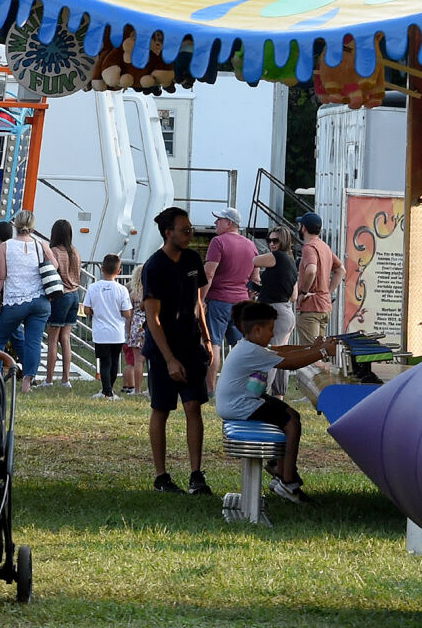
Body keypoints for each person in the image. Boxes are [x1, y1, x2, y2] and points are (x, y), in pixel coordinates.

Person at [215, 301, 338, 503]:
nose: (272, 334)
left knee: (291, 416)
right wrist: (323, 352)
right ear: (256, 330)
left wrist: (312, 347)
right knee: (291, 422)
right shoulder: (252, 351)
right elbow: (289, 361)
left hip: (243, 401)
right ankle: (287, 482)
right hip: (240, 406)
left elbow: (282, 350)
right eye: (270, 329)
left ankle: (279, 467)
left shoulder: (249, 346)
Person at [143, 206, 211, 495]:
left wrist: (207, 338)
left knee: (194, 407)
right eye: (185, 230)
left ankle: (197, 475)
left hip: (191, 345)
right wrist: (169, 359)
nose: (190, 234)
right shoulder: (154, 267)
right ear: (167, 232)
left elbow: (198, 302)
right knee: (161, 410)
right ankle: (162, 477)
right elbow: (152, 318)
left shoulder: (194, 259)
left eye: (191, 229)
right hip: (163, 351)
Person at [0, 210, 54, 395]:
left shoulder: (6, 246)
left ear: (15, 224)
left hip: (15, 300)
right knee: (33, 341)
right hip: (40, 301)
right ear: (32, 226)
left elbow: (0, 276)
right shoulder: (41, 245)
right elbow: (54, 266)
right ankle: (27, 383)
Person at [201, 206, 257, 364]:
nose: (215, 222)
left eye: (219, 219)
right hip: (241, 302)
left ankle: (211, 388)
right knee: (241, 347)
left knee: (213, 344)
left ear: (229, 223)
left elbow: (208, 274)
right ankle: (241, 385)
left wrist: (200, 300)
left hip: (218, 300)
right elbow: (255, 279)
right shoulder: (251, 246)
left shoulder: (218, 242)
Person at [252, 227, 300, 396]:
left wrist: (256, 278)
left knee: (268, 356)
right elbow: (294, 295)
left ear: (284, 241)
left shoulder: (278, 257)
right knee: (279, 356)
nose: (271, 244)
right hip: (285, 311)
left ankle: (259, 394)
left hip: (276, 313)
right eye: (269, 240)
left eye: (275, 240)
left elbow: (254, 260)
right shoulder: (291, 262)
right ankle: (278, 395)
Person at [42, 219, 83, 388]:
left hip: (60, 296)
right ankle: (66, 379)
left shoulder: (54, 252)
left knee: (52, 339)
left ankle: (49, 379)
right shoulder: (75, 251)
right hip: (75, 294)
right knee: (65, 338)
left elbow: (50, 273)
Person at [84, 254, 131, 399]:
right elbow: (127, 313)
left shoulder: (93, 287)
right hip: (117, 332)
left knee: (104, 362)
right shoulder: (122, 289)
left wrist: (94, 311)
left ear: (102, 269)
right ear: (119, 271)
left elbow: (86, 309)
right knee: (114, 361)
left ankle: (106, 391)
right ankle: (109, 390)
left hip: (101, 331)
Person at [296, 212, 345, 345]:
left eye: (299, 225)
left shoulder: (309, 247)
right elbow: (341, 270)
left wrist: (303, 292)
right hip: (324, 306)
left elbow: (311, 270)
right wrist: (328, 292)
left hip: (310, 307)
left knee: (309, 354)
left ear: (304, 228)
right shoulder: (324, 246)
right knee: (318, 353)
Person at [123, 264, 147, 396]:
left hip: (136, 326)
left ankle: (137, 389)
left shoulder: (133, 294)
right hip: (149, 325)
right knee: (151, 360)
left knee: (138, 361)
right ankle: (151, 389)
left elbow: (129, 316)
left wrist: (128, 331)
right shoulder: (151, 292)